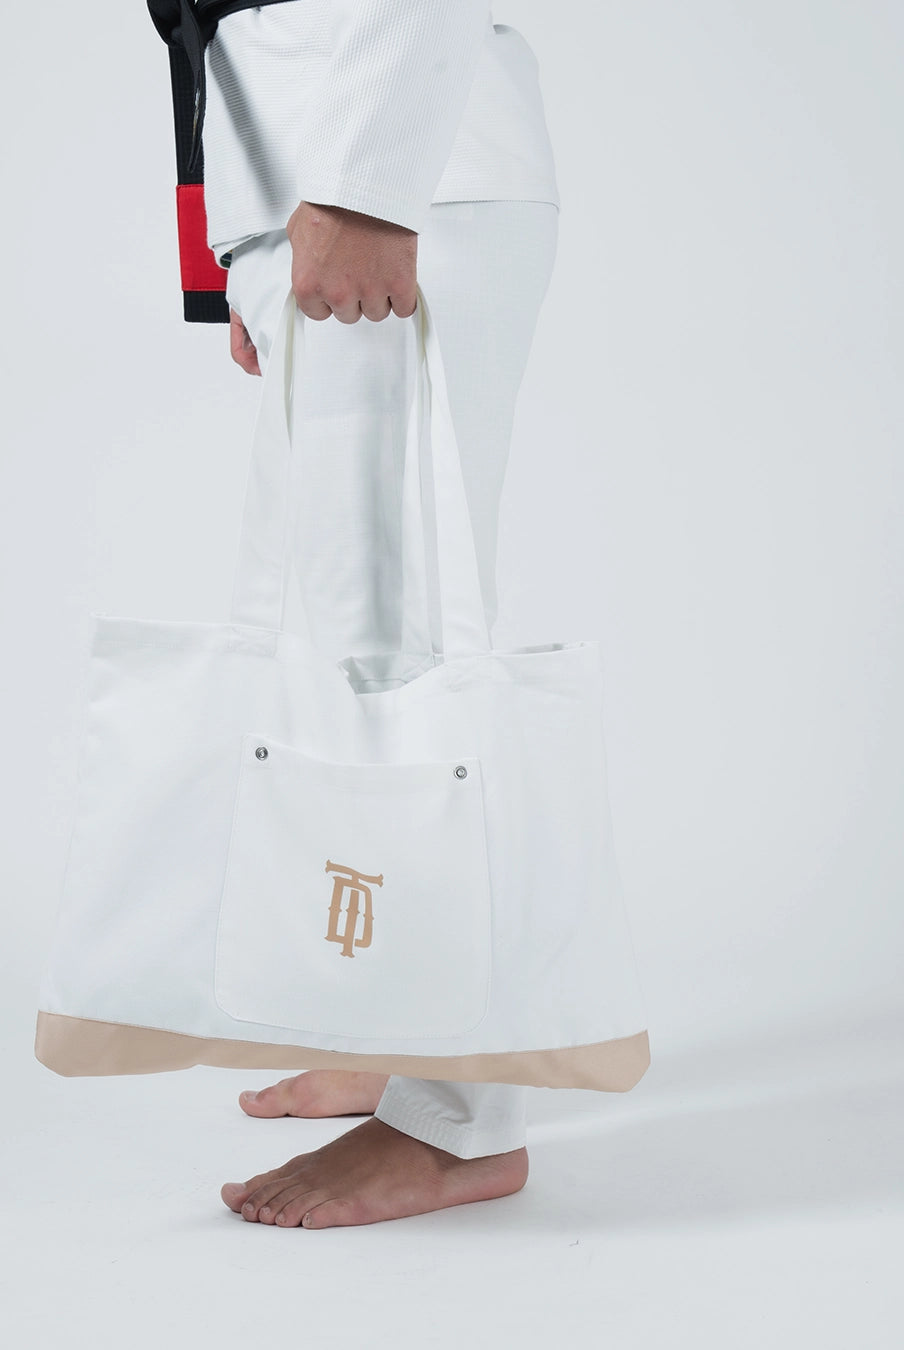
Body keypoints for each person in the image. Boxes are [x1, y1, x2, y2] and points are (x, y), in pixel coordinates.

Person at [199, 0, 562, 1228]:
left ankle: (461, 1124)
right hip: (328, 181)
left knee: (402, 657)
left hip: (394, 170)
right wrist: (246, 250)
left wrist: (363, 192)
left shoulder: (375, 182)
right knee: (346, 645)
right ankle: (398, 1031)